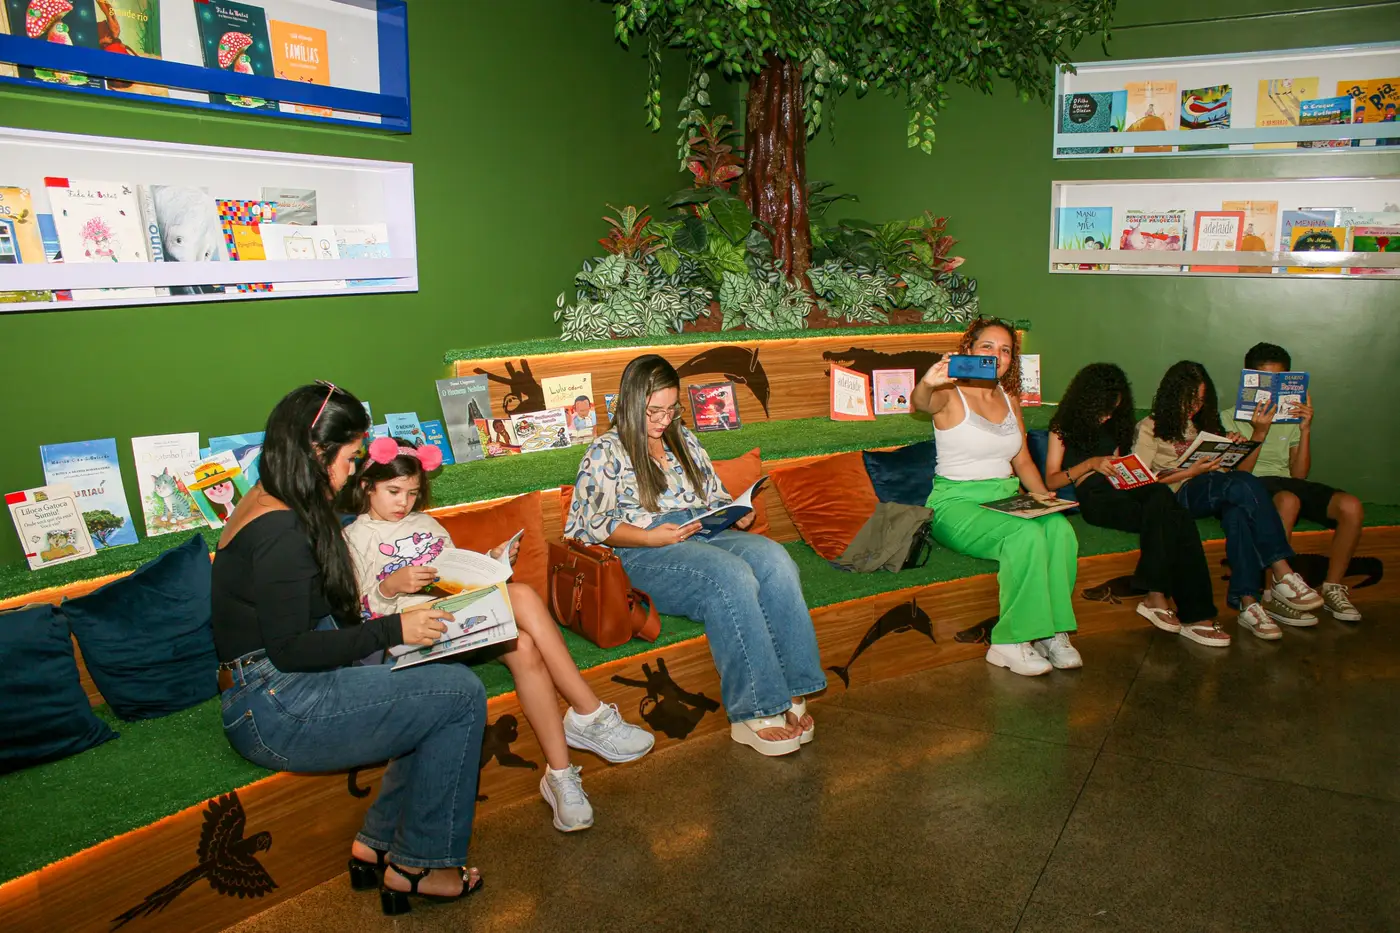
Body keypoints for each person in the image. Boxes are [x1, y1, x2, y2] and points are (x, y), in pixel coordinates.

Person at [211, 382, 484, 916]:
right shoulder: (282, 530)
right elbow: (291, 650)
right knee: (460, 696)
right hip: (275, 702)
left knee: (431, 692)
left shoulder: (272, 496)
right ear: (317, 452)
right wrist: (394, 630)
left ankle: (377, 843)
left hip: (267, 687)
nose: (354, 469)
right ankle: (420, 865)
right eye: (352, 456)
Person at [342, 436, 654, 833]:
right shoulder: (354, 538)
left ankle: (560, 776)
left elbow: (450, 579)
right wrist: (391, 587)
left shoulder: (427, 524)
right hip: (409, 635)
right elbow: (358, 612)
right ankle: (589, 714)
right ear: (367, 486)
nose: (404, 502)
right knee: (520, 596)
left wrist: (489, 565)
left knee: (524, 645)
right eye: (393, 491)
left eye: (413, 493)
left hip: (454, 620)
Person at [566, 354, 824, 757]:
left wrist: (736, 512)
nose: (663, 419)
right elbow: (586, 526)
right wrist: (649, 538)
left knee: (776, 560)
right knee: (729, 575)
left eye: (671, 409)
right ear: (630, 402)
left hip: (701, 532)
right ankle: (754, 709)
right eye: (653, 411)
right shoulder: (605, 451)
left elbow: (713, 496)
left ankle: (791, 688)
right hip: (641, 550)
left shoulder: (682, 438)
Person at [912, 317, 1080, 676]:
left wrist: (1045, 499)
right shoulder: (948, 393)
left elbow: (1022, 460)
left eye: (1005, 350)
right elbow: (921, 403)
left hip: (1006, 498)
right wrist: (928, 381)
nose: (996, 355)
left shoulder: (1009, 398)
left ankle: (1051, 632)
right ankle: (1009, 641)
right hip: (955, 504)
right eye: (987, 346)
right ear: (968, 350)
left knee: (1060, 530)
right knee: (1025, 535)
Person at [1133, 362, 1323, 641]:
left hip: (1217, 488)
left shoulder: (1205, 424)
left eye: (1200, 400)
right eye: (1189, 399)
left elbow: (1234, 471)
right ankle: (1281, 570)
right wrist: (1191, 471)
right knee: (1241, 484)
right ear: (1172, 395)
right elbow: (1141, 481)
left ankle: (1248, 603)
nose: (1195, 407)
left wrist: (1233, 447)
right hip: (1180, 494)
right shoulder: (1150, 427)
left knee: (1238, 512)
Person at [1044, 364, 1228, 647]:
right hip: (1095, 494)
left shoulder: (1116, 424)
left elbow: (1122, 461)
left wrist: (1130, 470)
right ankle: (1192, 613)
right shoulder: (1062, 427)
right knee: (1174, 516)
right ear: (1089, 399)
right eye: (1105, 407)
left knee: (1165, 502)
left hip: (1125, 486)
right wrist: (1091, 464)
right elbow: (1052, 479)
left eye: (1115, 407)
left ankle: (1161, 598)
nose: (1110, 413)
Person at [1222, 342, 1364, 623]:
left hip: (1286, 481)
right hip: (1253, 484)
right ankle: (1274, 594)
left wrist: (1305, 429)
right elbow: (1241, 474)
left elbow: (1299, 475)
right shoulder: (1229, 417)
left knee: (1351, 506)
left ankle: (1332, 588)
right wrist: (1259, 432)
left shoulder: (1291, 417)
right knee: (1287, 501)